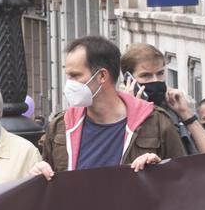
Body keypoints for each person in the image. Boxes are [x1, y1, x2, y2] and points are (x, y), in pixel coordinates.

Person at [41, 37, 185, 174]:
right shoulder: (60, 126)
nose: (69, 84)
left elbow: (181, 181)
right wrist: (39, 173)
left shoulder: (157, 123)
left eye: (75, 75)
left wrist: (157, 170)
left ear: (102, 76)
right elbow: (49, 187)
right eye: (69, 76)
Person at [120, 43, 205, 154]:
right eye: (146, 75)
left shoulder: (174, 108)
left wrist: (187, 114)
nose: (155, 80)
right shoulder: (118, 112)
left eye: (160, 73)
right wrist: (132, 111)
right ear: (129, 79)